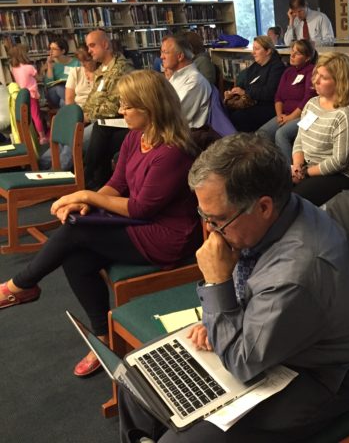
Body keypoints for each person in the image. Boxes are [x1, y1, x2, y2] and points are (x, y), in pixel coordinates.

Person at [117, 133, 349, 443]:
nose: (211, 230)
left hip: (318, 376)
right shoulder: (276, 214)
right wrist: (217, 318)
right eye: (205, 216)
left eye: (218, 219)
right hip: (275, 343)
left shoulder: (298, 271)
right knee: (137, 379)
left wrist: (216, 285)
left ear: (263, 207)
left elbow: (242, 362)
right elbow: (257, 299)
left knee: (179, 440)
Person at [0, 70, 202, 378]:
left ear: (151, 108)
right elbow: (117, 183)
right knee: (75, 249)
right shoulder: (137, 136)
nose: (121, 111)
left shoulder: (173, 151)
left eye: (128, 105)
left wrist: (86, 196)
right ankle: (104, 337)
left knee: (76, 231)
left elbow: (142, 207)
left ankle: (20, 286)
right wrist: (88, 201)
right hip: (137, 222)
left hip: (167, 236)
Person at [291, 52, 349, 206]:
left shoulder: (347, 113)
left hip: (342, 175)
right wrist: (297, 165)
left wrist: (306, 173)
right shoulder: (312, 103)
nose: (315, 81)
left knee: (295, 201)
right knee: (273, 189)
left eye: (323, 77)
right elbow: (300, 138)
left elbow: (339, 162)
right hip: (309, 169)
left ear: (341, 82)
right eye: (316, 74)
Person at [83, 29, 134, 190]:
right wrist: (84, 113)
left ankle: (83, 176)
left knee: (97, 130)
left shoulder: (122, 68)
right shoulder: (100, 70)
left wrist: (88, 115)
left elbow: (113, 105)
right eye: (88, 46)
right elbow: (91, 99)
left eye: (92, 46)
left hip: (119, 119)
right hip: (99, 120)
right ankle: (94, 182)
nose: (89, 51)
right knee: (94, 135)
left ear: (105, 45)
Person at [39, 45, 99, 170]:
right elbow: (69, 101)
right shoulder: (76, 72)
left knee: (70, 146)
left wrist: (86, 118)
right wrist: (77, 119)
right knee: (45, 159)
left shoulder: (103, 74)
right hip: (77, 117)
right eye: (81, 61)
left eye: (86, 61)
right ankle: (41, 177)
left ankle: (53, 180)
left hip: (93, 118)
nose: (83, 65)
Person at [258, 39, 318, 162]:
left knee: (281, 134)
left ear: (307, 58)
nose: (292, 55)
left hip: (305, 115)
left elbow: (308, 98)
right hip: (284, 114)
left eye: (298, 53)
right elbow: (278, 96)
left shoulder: (311, 70)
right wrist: (280, 115)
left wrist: (290, 117)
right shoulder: (288, 71)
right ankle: (272, 166)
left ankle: (291, 171)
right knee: (261, 133)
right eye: (292, 51)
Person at [225, 35, 286, 132]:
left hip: (267, 106)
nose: (253, 52)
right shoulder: (256, 65)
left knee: (239, 116)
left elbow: (269, 92)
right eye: (253, 48)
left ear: (268, 51)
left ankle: (245, 143)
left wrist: (245, 92)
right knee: (225, 109)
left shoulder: (277, 68)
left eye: (257, 49)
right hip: (252, 101)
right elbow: (245, 82)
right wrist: (234, 92)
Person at [160, 34, 212, 129]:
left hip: (184, 136)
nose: (161, 57)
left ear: (180, 56)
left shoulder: (194, 82)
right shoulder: (175, 77)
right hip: (170, 130)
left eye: (165, 52)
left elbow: (172, 116)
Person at [8, 44, 47, 144]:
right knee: (36, 115)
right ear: (23, 55)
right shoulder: (29, 67)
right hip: (31, 94)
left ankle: (31, 136)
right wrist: (43, 69)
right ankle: (42, 137)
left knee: (27, 116)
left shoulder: (13, 68)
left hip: (21, 95)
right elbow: (39, 78)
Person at [41, 37, 80, 109]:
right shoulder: (51, 64)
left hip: (72, 91)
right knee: (59, 88)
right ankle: (74, 107)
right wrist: (49, 66)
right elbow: (48, 84)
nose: (51, 51)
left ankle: (68, 116)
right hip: (53, 94)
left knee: (63, 102)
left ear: (63, 51)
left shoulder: (76, 62)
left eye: (54, 49)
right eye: (50, 48)